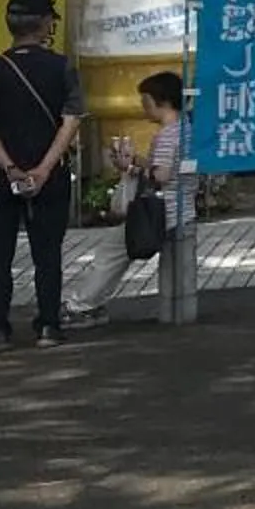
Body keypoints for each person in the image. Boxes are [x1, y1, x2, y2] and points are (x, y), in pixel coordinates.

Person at [0, 0, 82, 350]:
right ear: (46, 24)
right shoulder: (63, 67)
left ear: (10, 24)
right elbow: (70, 120)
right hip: (50, 175)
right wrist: (44, 169)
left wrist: (10, 168)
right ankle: (48, 326)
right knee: (47, 253)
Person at [77, 71, 187, 327]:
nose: (143, 107)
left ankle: (81, 304)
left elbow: (161, 174)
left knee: (110, 252)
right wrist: (136, 162)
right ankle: (89, 303)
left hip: (158, 211)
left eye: (146, 101)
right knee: (115, 252)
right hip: (177, 208)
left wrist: (132, 169)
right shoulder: (184, 129)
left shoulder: (167, 135)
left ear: (162, 102)